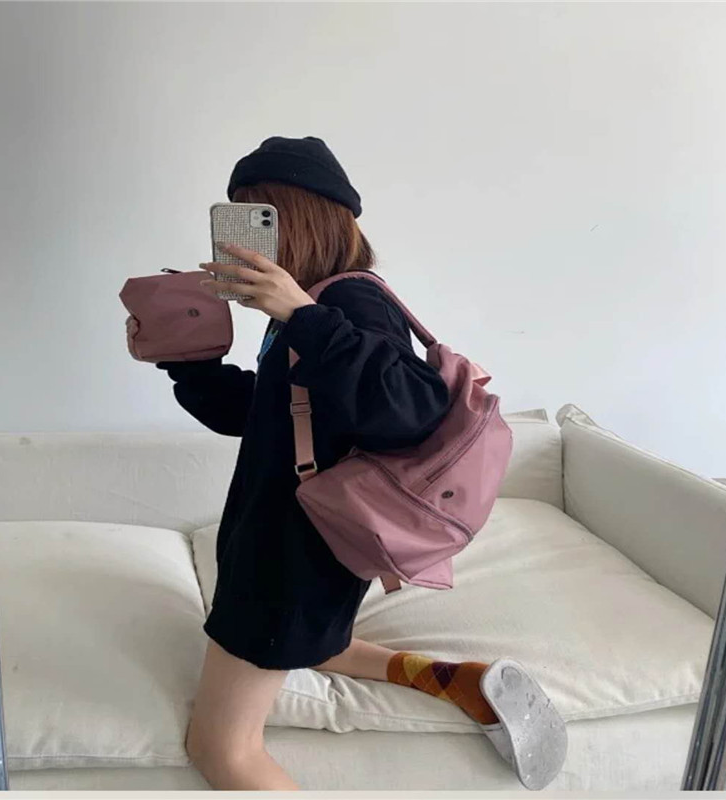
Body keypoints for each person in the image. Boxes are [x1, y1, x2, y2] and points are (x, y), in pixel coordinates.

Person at [156, 136, 566, 791]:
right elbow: (262, 416)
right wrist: (189, 363)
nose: (239, 239)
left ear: (302, 219)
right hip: (301, 546)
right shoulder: (311, 310)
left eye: (258, 216)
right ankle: (457, 679)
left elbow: (411, 409)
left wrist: (303, 315)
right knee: (317, 644)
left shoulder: (345, 304)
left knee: (221, 751)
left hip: (287, 558)